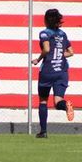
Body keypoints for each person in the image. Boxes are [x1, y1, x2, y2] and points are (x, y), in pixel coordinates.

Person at [31, 9, 75, 138]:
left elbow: (46, 49)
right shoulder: (62, 34)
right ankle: (66, 106)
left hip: (48, 71)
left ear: (46, 20)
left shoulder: (45, 33)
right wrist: (60, 55)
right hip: (62, 71)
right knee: (57, 101)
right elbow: (71, 52)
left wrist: (38, 59)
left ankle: (43, 131)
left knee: (43, 101)